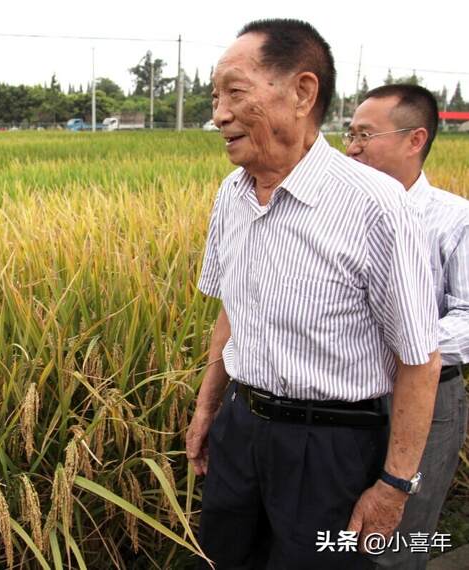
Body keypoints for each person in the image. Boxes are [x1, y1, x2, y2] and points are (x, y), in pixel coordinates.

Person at [185, 19, 442, 569]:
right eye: (214, 97)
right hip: (241, 429)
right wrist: (208, 409)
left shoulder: (376, 206)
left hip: (332, 448)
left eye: (235, 92)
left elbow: (419, 358)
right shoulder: (231, 197)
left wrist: (395, 484)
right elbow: (232, 311)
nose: (219, 114)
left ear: (302, 92)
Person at [346, 84, 468, 569]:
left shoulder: (454, 219)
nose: (350, 147)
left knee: (395, 539)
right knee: (340, 532)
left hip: (426, 397)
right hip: (348, 396)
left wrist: (404, 347)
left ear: (415, 139)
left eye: (364, 135)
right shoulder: (345, 215)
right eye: (349, 133)